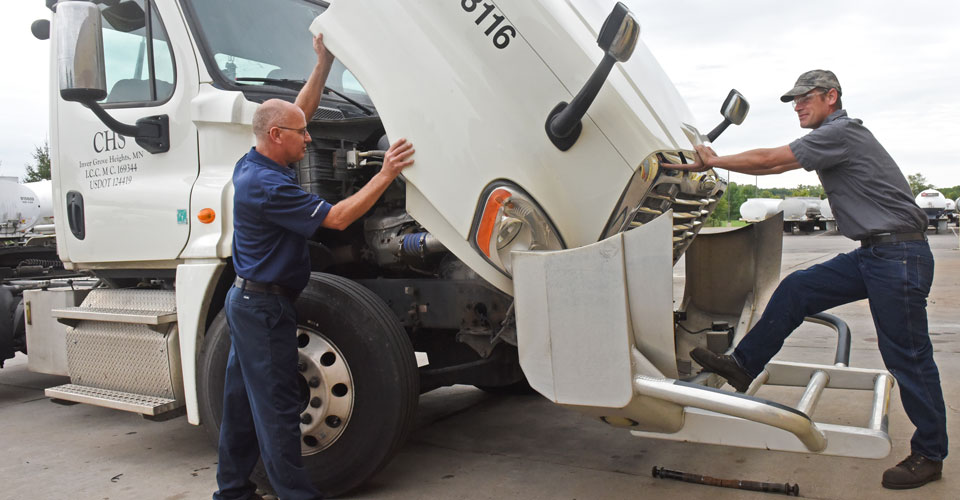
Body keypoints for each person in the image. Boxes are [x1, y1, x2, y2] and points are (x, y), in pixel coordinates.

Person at [671, 70, 947, 490]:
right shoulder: (834, 138)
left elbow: (773, 161)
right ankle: (744, 365)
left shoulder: (842, 132)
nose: (797, 106)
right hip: (875, 253)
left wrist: (713, 159)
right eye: (793, 101)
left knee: (907, 356)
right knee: (799, 288)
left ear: (831, 97)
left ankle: (930, 453)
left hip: (898, 257)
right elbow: (781, 164)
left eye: (805, 99)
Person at [213, 34, 414, 500]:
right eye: (302, 133)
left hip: (248, 301)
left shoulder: (256, 158)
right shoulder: (268, 186)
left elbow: (297, 110)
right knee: (279, 411)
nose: (309, 137)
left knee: (241, 408)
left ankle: (231, 492)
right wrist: (385, 173)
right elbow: (339, 217)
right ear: (276, 138)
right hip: (263, 310)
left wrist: (322, 63)